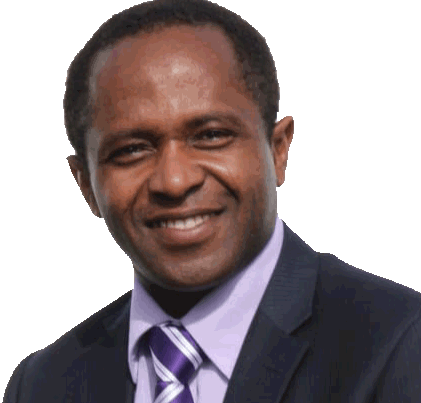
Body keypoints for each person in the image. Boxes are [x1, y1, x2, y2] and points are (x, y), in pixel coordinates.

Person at [4, 0, 420, 402]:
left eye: (211, 135)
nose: (174, 180)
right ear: (86, 185)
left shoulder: (400, 343)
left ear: (278, 150)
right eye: (131, 150)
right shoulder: (43, 385)